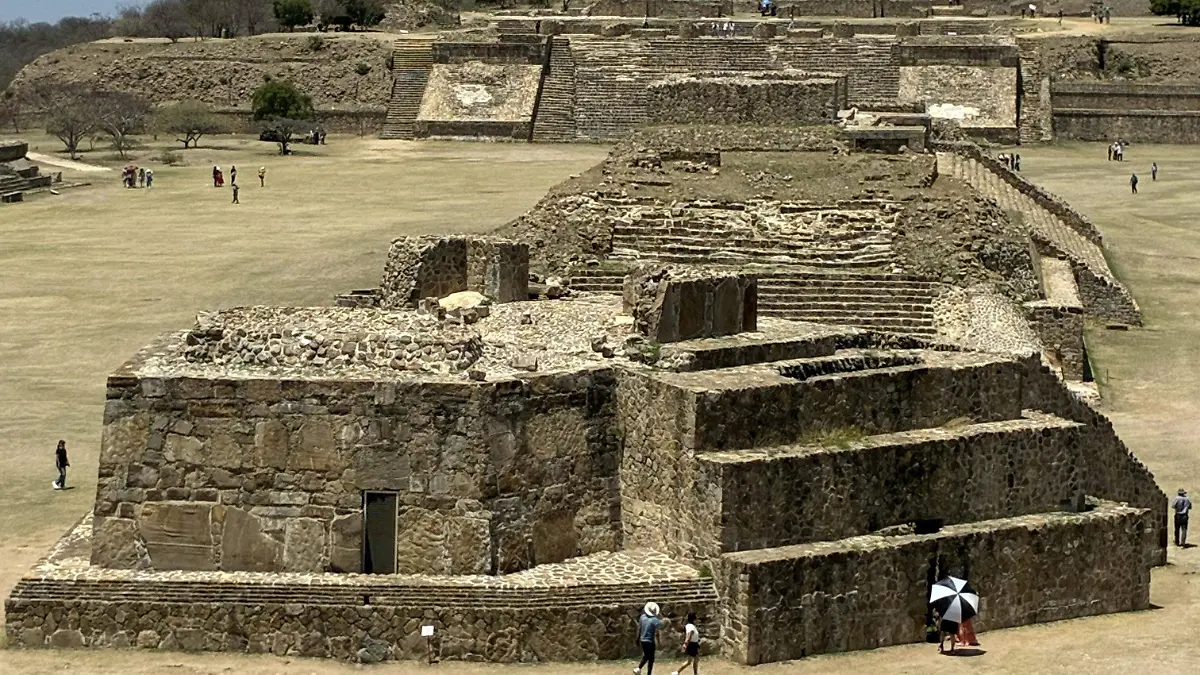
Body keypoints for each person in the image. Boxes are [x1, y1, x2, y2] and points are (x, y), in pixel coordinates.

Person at [634, 602, 663, 675]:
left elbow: (639, 628)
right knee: (650, 657)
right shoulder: (654, 620)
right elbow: (658, 630)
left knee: (647, 655)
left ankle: (639, 669)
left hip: (642, 640)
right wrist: (659, 642)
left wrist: (637, 639)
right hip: (650, 641)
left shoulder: (642, 617)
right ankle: (641, 669)